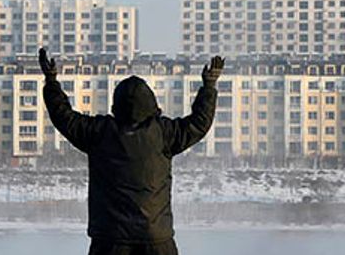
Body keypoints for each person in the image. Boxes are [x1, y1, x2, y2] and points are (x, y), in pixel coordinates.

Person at [40, 47, 224, 255]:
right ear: (152, 103)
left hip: (110, 239)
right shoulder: (164, 133)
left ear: (116, 104)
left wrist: (52, 81)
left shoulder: (99, 133)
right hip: (156, 238)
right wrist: (209, 87)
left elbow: (63, 116)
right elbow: (199, 123)